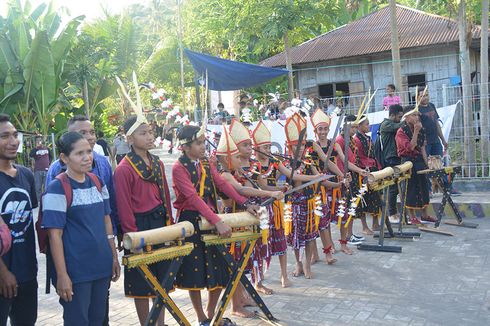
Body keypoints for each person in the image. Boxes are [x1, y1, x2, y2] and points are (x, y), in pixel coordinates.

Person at [172, 124, 259, 326]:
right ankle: (201, 317)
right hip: (192, 221)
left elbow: (221, 184)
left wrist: (246, 204)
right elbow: (193, 198)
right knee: (194, 273)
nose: (203, 146)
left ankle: (211, 314)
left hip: (211, 219)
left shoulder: (205, 162)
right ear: (185, 147)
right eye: (198, 143)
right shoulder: (178, 168)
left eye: (203, 142)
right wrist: (217, 221)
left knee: (219, 270)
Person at [45, 115, 118, 326]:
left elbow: (107, 223)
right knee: (78, 320)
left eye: (88, 152)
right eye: (79, 153)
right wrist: (62, 275)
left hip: (101, 266)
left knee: (98, 319)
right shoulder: (58, 188)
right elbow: (54, 235)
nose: (87, 157)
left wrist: (113, 257)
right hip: (76, 272)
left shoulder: (97, 182)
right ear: (64, 158)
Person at [114, 115, 173, 326]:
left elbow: (165, 194)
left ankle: (161, 323)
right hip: (138, 227)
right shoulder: (124, 169)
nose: (149, 137)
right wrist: (132, 236)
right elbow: (124, 206)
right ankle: (146, 323)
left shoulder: (156, 162)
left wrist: (170, 224)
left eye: (150, 132)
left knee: (161, 278)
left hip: (159, 223)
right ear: (129, 138)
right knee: (142, 281)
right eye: (143, 133)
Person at [221, 121, 283, 317]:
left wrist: (272, 191)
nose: (242, 158)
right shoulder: (225, 174)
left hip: (246, 219)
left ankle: (242, 297)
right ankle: (235, 306)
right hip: (235, 221)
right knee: (237, 262)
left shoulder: (237, 171)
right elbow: (241, 190)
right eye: (238, 155)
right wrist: (269, 193)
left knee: (245, 261)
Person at [0, 114, 38, 326]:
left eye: (15, 135)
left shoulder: (26, 175)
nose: (13, 141)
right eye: (4, 136)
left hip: (27, 272)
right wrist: (3, 273)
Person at [251, 121, 291, 288]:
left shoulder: (275, 161)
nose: (267, 150)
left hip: (276, 207)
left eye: (269, 147)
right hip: (261, 209)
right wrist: (279, 188)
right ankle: (259, 281)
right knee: (261, 244)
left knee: (281, 240)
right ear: (256, 148)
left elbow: (289, 174)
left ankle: (284, 276)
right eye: (264, 147)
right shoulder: (254, 166)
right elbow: (263, 186)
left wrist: (310, 177)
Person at [396, 106, 435, 224]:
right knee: (410, 189)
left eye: (418, 115)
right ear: (406, 117)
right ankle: (412, 216)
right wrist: (416, 131)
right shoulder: (401, 131)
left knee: (423, 187)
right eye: (414, 115)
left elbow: (422, 147)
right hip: (408, 162)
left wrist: (427, 164)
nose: (417, 117)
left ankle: (425, 214)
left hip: (419, 161)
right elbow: (410, 147)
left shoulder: (420, 129)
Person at [335, 115, 369, 247]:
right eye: (352, 127)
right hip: (344, 177)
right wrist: (358, 171)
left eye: (355, 127)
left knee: (352, 206)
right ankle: (347, 236)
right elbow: (345, 162)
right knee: (348, 207)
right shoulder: (340, 140)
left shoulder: (348, 139)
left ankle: (350, 234)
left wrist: (359, 171)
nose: (354, 130)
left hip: (351, 175)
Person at [417, 88, 458, 195]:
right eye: (422, 95)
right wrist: (422, 140)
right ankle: (428, 190)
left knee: (439, 165)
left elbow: (436, 124)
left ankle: (447, 187)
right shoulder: (417, 110)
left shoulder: (431, 106)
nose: (425, 97)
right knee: (427, 166)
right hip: (425, 143)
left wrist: (443, 140)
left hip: (435, 140)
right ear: (417, 97)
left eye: (426, 95)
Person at [353, 115, 382, 234]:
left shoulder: (368, 138)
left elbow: (373, 155)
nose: (368, 126)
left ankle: (375, 224)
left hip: (372, 170)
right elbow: (357, 158)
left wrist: (378, 167)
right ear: (359, 126)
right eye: (366, 124)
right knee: (363, 199)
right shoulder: (356, 140)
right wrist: (364, 169)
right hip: (363, 172)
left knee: (375, 197)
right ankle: (364, 227)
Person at [379, 104, 404, 223]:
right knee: (393, 187)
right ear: (392, 115)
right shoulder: (386, 124)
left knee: (397, 186)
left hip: (396, 157)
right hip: (390, 158)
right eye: (399, 117)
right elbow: (399, 126)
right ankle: (392, 213)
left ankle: (394, 212)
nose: (400, 119)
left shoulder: (392, 123)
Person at [29, 135, 52, 200]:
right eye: (37, 141)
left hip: (46, 170)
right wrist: (36, 148)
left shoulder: (47, 148)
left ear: (42, 141)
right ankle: (39, 201)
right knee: (38, 187)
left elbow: (51, 156)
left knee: (46, 186)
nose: (39, 142)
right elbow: (31, 155)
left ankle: (46, 199)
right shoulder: (34, 149)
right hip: (38, 170)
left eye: (40, 140)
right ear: (36, 142)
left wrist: (48, 163)